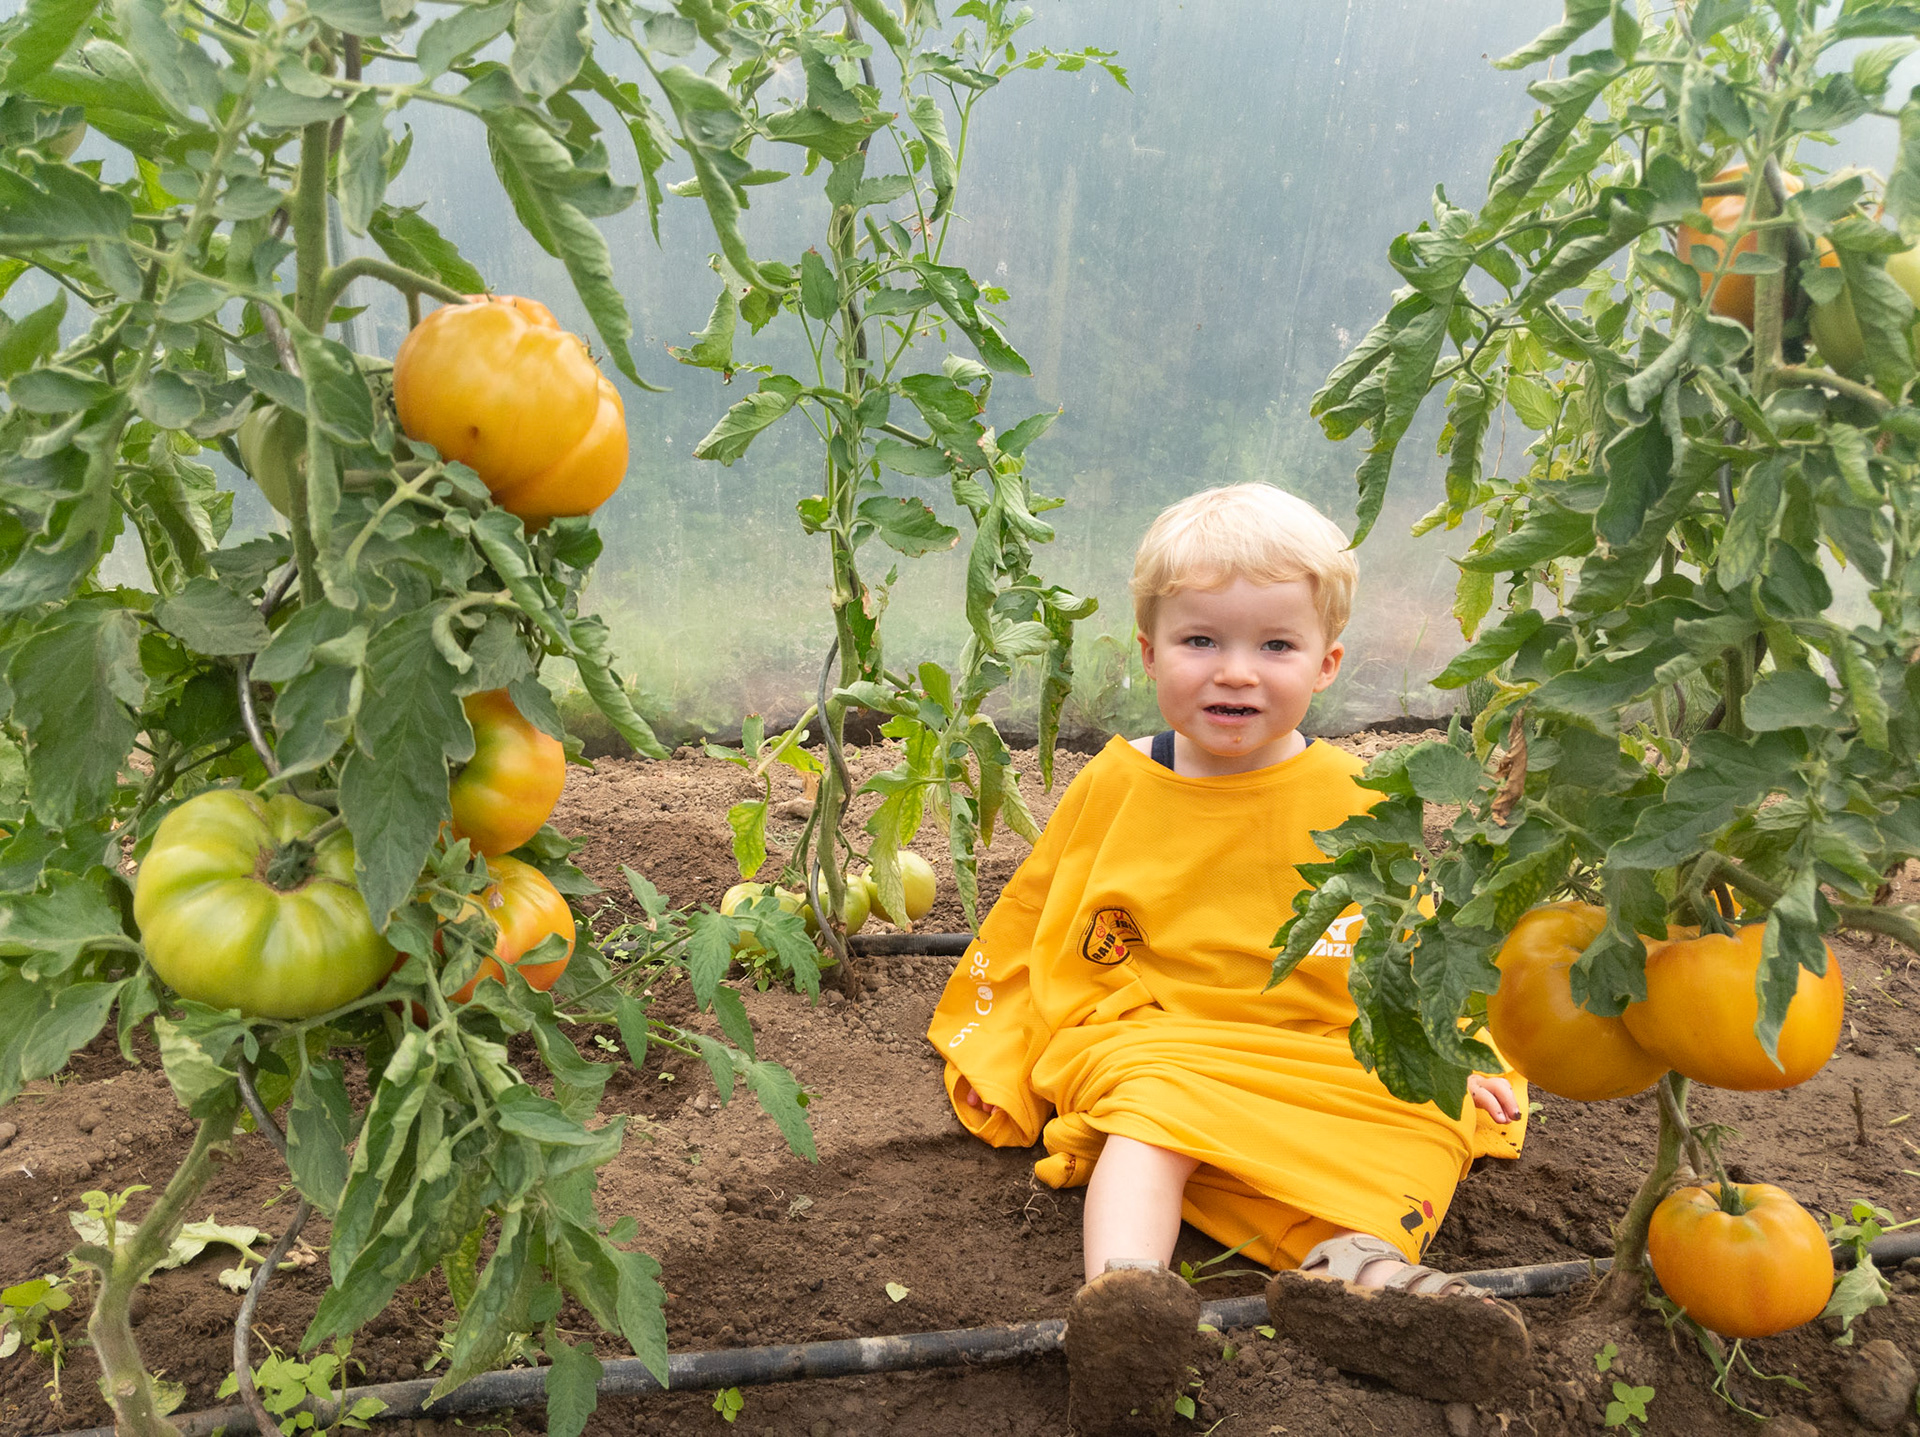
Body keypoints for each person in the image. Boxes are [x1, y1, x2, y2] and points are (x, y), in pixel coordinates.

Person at [924, 483, 1532, 1432]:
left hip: (1318, 1035)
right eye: (1201, 641)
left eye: (1275, 646)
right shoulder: (1121, 779)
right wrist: (1014, 1016)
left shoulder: (1357, 792)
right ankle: (1125, 1303)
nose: (1234, 674)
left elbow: (1419, 939)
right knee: (1151, 1112)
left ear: (1326, 662)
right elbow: (1045, 912)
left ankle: (1366, 1275)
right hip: (1165, 1031)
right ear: (1149, 651)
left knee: (1414, 1114)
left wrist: (1463, 1049)